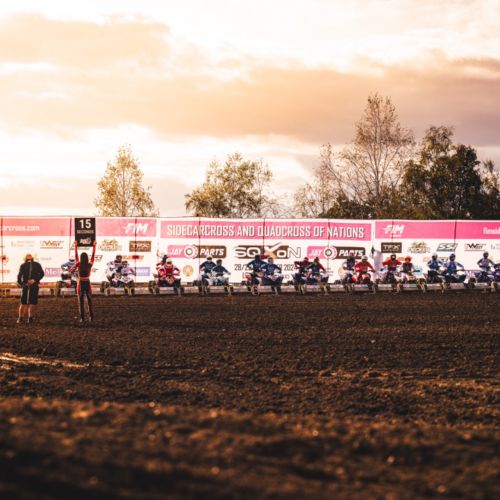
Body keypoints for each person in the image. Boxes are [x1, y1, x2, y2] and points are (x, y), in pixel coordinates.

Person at [17, 254, 45, 324]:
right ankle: (29, 318)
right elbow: (42, 274)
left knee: (25, 302)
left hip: (27, 285)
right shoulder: (37, 264)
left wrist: (22, 283)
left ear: (25, 259)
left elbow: (19, 276)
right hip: (33, 285)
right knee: (31, 302)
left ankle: (22, 318)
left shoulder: (23, 265)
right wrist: (34, 280)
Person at [74, 240, 97, 322]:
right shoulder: (89, 264)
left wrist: (76, 246)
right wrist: (94, 246)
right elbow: (93, 255)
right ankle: (91, 317)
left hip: (80, 283)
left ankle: (82, 318)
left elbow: (76, 255)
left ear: (81, 258)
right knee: (90, 301)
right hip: (87, 282)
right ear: (87, 257)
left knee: (80, 301)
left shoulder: (78, 264)